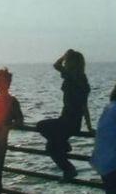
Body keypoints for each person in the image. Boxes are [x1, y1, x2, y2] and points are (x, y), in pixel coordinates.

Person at [36, 49, 92, 180]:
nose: (65, 63)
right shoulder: (81, 80)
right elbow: (85, 106)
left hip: (68, 122)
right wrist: (89, 126)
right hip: (72, 122)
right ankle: (66, 158)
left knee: (42, 127)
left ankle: (69, 167)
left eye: (68, 61)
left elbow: (56, 65)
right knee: (51, 145)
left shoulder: (72, 78)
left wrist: (64, 55)